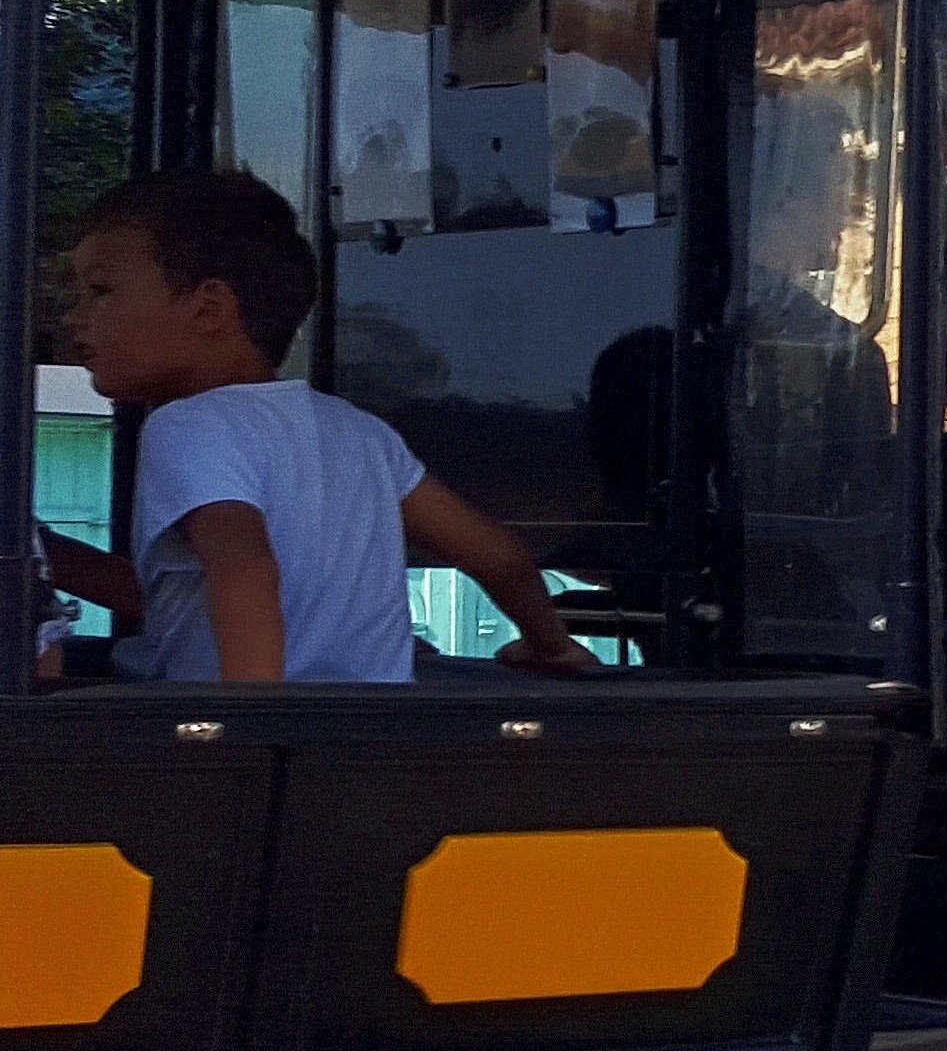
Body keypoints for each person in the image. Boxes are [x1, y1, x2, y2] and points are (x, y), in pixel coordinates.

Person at [36, 171, 594, 683]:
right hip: (367, 736)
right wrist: (550, 644)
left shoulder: (186, 426)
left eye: (100, 291)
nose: (73, 316)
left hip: (259, 746)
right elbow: (494, 553)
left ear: (209, 308)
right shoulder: (357, 430)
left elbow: (246, 571)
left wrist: (253, 734)